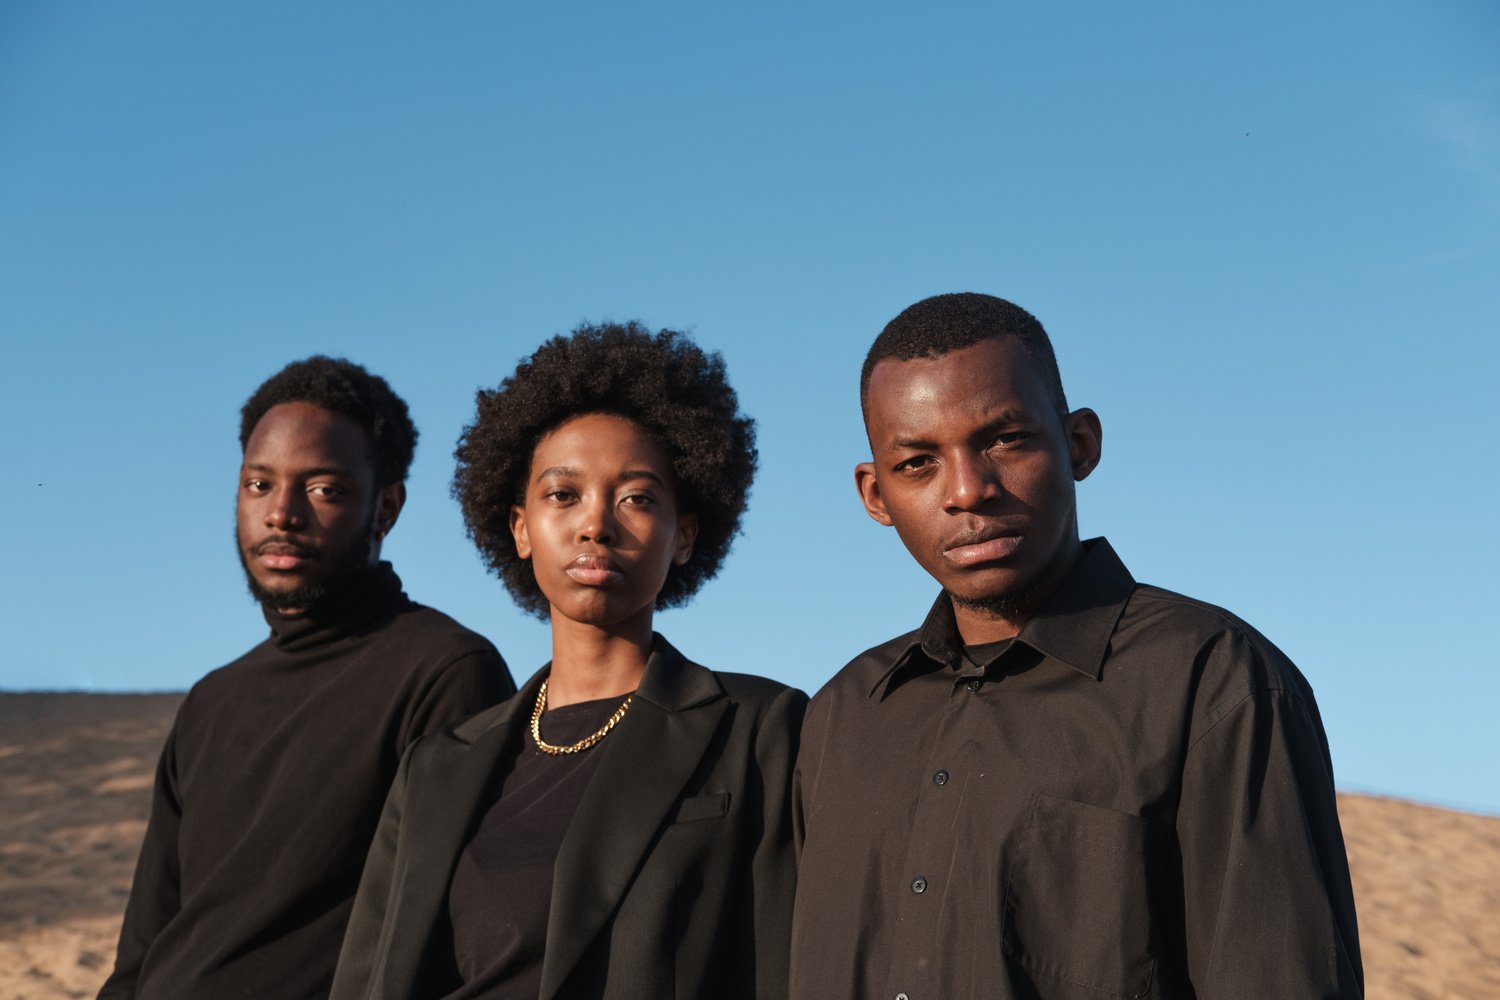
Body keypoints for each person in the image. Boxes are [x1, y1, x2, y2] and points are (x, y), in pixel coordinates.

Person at [789, 294, 1362, 999]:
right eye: (918, 463)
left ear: (1080, 444)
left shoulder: (1213, 680)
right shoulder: (842, 715)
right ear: (875, 495)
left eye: (1004, 439)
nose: (968, 491)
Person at [330, 322, 806, 1000]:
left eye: (637, 497)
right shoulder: (435, 768)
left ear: (684, 535)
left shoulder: (760, 730)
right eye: (563, 494)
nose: (596, 524)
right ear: (521, 527)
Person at [100, 357, 515, 1000]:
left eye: (324, 489)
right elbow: (141, 951)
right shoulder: (211, 702)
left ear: (386, 507)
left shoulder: (444, 673)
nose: (281, 514)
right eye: (259, 485)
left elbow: (461, 938)